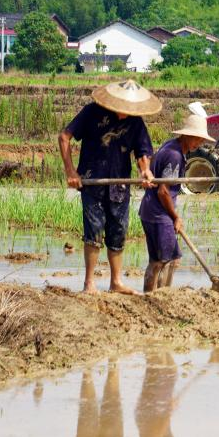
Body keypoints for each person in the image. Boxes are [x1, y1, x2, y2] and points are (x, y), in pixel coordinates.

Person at [59, 80, 160, 295]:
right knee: (94, 229)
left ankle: (116, 282)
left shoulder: (136, 122)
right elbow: (64, 137)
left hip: (119, 184)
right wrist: (70, 171)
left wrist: (145, 171)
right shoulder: (91, 112)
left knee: (118, 231)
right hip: (92, 181)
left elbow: (142, 152)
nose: (124, 113)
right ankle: (89, 283)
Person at [139, 113, 214, 292]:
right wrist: (175, 217)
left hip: (151, 211)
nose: (199, 143)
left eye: (201, 140)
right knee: (168, 260)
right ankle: (160, 296)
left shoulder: (171, 146)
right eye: (197, 139)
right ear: (187, 135)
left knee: (159, 261)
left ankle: (153, 295)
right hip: (159, 213)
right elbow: (163, 191)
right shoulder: (174, 155)